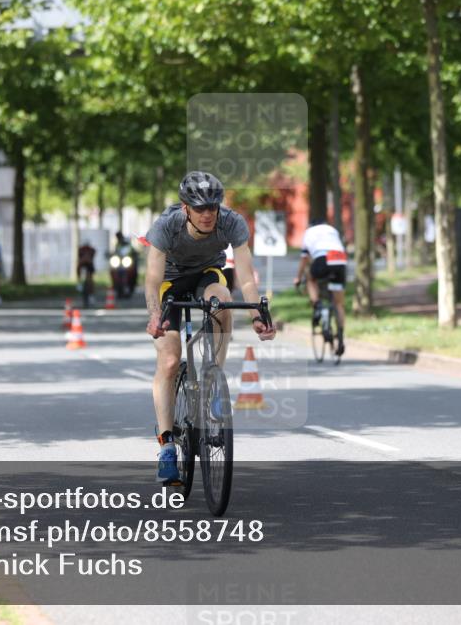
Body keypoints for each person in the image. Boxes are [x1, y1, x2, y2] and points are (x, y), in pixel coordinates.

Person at [145, 171, 276, 483]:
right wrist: (155, 317)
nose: (207, 214)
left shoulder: (232, 222)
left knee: (222, 301)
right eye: (199, 208)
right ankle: (166, 447)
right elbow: (151, 280)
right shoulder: (166, 226)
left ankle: (213, 382)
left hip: (207, 273)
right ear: (185, 207)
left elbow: (245, 276)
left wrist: (258, 314)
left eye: (212, 207)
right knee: (170, 360)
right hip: (169, 282)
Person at [294, 217, 347, 356]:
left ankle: (317, 305)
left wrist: (298, 278)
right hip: (339, 258)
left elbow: (304, 258)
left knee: (311, 279)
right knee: (339, 304)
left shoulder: (308, 232)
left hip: (322, 257)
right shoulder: (332, 230)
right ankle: (340, 336)